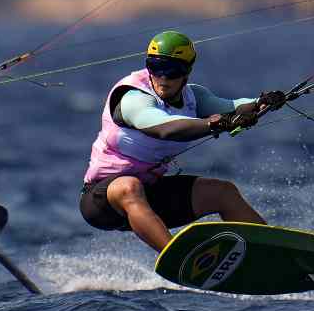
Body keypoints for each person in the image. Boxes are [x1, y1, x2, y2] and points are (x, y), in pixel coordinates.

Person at [79, 30, 289, 252]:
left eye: (172, 71)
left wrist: (262, 102)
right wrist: (214, 124)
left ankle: (272, 253)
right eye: (155, 67)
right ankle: (178, 258)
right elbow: (165, 128)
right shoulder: (132, 97)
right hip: (102, 201)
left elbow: (232, 107)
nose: (163, 78)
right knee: (129, 186)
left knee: (223, 192)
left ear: (187, 71)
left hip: (151, 196)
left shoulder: (194, 97)